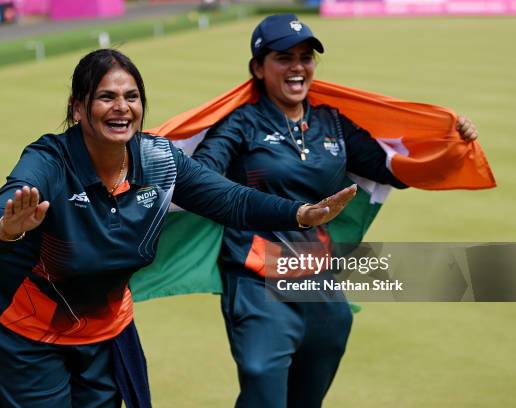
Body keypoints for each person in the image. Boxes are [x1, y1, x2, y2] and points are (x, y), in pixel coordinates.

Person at [0, 48, 357, 408]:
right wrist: (8, 228)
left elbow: (232, 200)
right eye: (106, 97)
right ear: (78, 108)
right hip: (30, 335)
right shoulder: (50, 159)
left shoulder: (158, 160)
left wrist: (299, 214)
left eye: (132, 96)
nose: (122, 107)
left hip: (105, 331)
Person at [192, 14, 479, 408]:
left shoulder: (332, 123)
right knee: (262, 385)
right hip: (257, 282)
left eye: (305, 57)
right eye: (283, 57)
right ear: (258, 68)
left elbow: (391, 168)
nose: (297, 67)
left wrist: (449, 144)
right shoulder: (241, 124)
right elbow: (201, 177)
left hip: (319, 286)